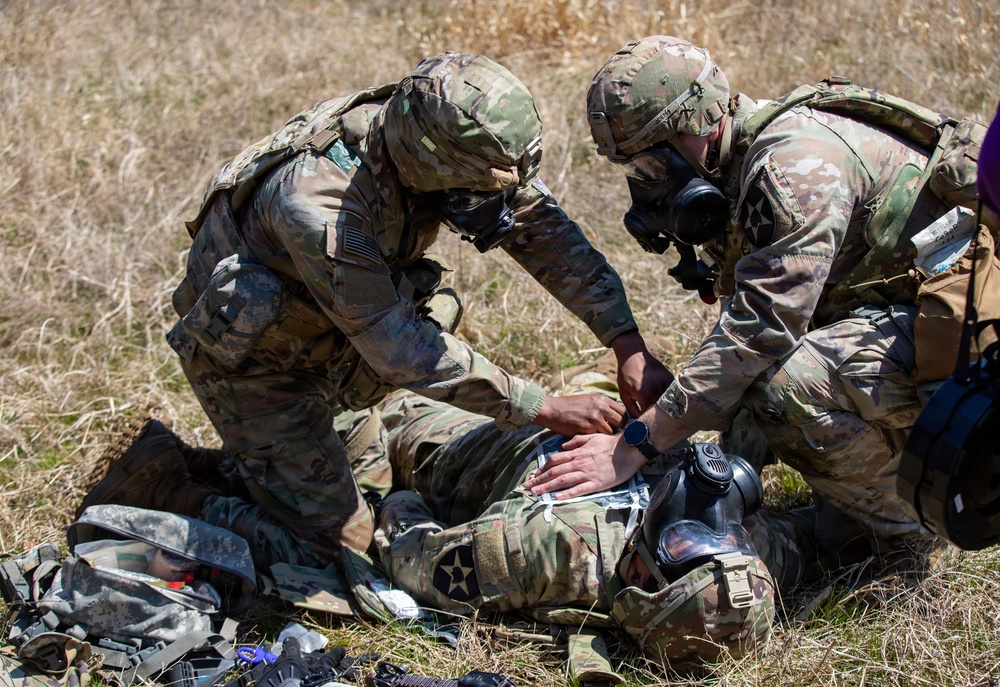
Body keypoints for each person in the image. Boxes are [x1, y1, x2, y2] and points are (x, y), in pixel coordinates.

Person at [77, 52, 671, 573]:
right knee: (338, 549)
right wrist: (541, 406)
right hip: (259, 369)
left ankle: (255, 468)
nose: (493, 201)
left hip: (334, 347)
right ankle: (164, 487)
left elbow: (546, 237)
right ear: (431, 165)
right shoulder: (319, 203)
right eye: (479, 191)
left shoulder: (450, 142)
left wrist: (626, 343)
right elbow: (396, 344)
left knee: (375, 484)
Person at [526, 36, 997, 570]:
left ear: (699, 124)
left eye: (652, 164)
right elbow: (743, 338)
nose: (648, 185)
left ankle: (907, 533)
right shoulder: (729, 168)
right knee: (749, 388)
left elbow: (759, 334)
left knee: (785, 383)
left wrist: (634, 446)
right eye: (635, 172)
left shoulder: (793, 169)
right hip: (903, 313)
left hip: (971, 342)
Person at [373, 376, 816, 664]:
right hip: (611, 410)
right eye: (731, 537)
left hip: (479, 457)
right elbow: (820, 533)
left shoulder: (544, 549)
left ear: (638, 579)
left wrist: (400, 501)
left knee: (391, 410)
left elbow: (414, 559)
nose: (711, 511)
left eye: (683, 539)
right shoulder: (749, 564)